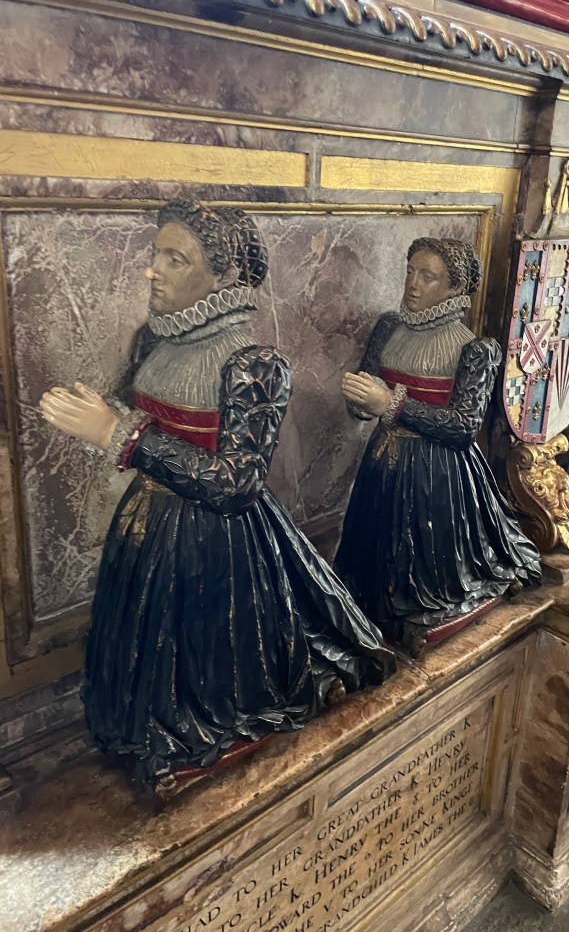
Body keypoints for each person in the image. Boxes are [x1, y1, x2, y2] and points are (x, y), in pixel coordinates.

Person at [40, 200, 395, 789]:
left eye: (174, 259)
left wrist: (117, 432)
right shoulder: (153, 342)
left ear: (222, 275)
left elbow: (236, 482)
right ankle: (144, 730)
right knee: (144, 650)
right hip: (149, 523)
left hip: (216, 543)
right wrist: (98, 422)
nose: (152, 271)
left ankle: (195, 737)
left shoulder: (255, 364)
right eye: (155, 255)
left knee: (206, 671)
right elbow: (134, 411)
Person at [335, 237, 541, 656]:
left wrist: (390, 403)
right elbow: (370, 383)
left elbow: (463, 426)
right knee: (371, 552)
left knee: (422, 567)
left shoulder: (475, 349)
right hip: (384, 457)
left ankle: (419, 610)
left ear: (454, 288)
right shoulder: (389, 327)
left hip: (438, 474)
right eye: (410, 271)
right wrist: (360, 402)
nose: (412, 283)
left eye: (427, 276)